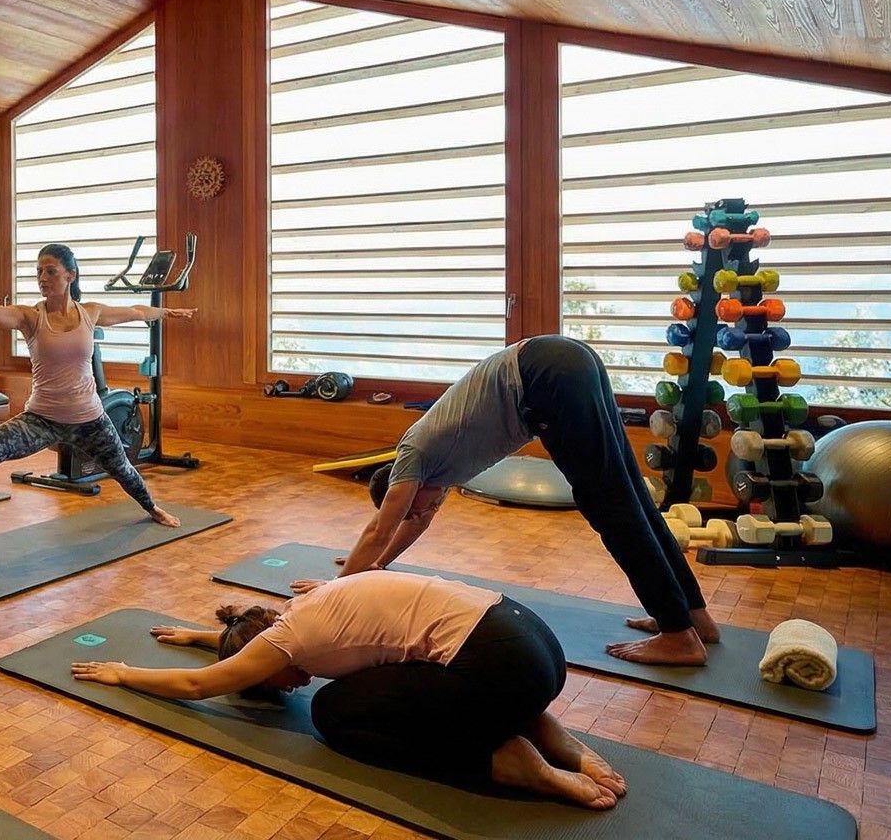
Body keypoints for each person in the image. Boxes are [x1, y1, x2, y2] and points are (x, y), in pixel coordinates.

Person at [309, 334, 717, 665]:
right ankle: (692, 616)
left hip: (544, 375)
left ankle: (677, 636)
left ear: (406, 489)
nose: (429, 511)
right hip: (564, 359)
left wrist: (334, 592)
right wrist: (377, 565)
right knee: (631, 497)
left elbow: (380, 529)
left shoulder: (412, 456)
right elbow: (407, 526)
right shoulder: (435, 471)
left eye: (418, 507)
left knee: (610, 508)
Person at [71, 570, 626, 810]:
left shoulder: (285, 640)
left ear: (261, 659)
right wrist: (202, 635)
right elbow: (257, 633)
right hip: (535, 647)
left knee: (335, 713)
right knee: (404, 673)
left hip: (500, 669)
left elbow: (199, 685)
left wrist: (124, 673)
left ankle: (511, 763)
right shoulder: (312, 603)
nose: (291, 687)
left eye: (272, 685)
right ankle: (557, 738)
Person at [0, 243, 192, 574]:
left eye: (50, 271)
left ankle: (152, 507)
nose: (43, 278)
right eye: (39, 272)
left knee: (123, 470)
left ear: (70, 275)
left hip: (89, 419)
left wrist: (166, 313)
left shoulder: (91, 312)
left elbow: (136, 312)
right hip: (41, 420)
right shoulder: (31, 317)